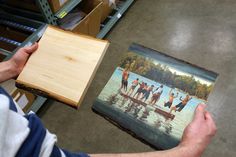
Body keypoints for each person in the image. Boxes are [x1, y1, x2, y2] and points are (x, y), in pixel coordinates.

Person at [0, 44, 217, 157]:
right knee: (133, 94)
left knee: (141, 96)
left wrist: (10, 67)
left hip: (151, 96)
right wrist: (188, 151)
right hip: (140, 93)